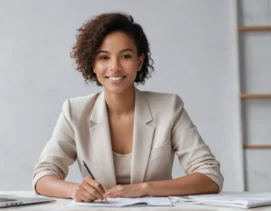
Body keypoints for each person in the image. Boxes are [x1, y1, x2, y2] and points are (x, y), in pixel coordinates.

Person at [32, 12, 223, 202]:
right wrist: (74, 190)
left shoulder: (169, 107)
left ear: (139, 62)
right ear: (93, 64)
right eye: (104, 57)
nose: (115, 67)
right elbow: (42, 176)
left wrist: (145, 188)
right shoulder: (75, 111)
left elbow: (210, 176)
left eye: (125, 56)